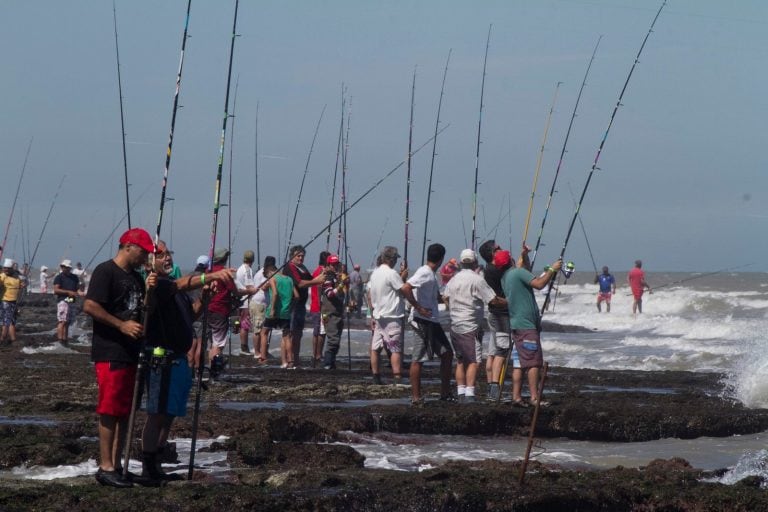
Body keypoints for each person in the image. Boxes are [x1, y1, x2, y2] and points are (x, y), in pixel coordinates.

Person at [139, 240, 232, 484]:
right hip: (161, 358)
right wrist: (210, 276)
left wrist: (204, 299)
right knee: (156, 413)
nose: (167, 258)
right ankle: (148, 467)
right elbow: (181, 283)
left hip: (179, 359)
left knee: (169, 414)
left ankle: (157, 460)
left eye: (168, 254)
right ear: (149, 261)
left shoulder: (172, 287)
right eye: (161, 256)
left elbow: (190, 315)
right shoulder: (156, 284)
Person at [82, 228, 155, 488]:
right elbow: (90, 305)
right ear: (127, 246)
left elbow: (141, 308)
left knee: (125, 411)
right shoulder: (105, 271)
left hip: (131, 352)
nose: (145, 256)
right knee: (109, 409)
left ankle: (117, 464)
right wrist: (120, 325)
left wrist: (149, 289)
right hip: (110, 350)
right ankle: (105, 466)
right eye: (143, 251)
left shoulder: (136, 277)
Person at [442, 249, 506, 403]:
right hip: (471, 326)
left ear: (461, 262)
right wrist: (510, 302)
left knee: (461, 360)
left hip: (455, 325)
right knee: (474, 361)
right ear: (475, 262)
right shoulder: (477, 280)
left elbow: (445, 298)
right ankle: (470, 394)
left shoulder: (453, 279)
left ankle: (461, 392)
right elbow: (492, 300)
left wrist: (454, 309)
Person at [502, 255, 562, 406]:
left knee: (519, 363)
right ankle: (534, 398)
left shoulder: (506, 276)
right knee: (534, 362)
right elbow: (540, 284)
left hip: (517, 324)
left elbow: (526, 272)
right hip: (526, 326)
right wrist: (552, 269)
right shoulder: (518, 273)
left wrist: (525, 257)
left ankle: (516, 397)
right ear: (512, 261)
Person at [402, 243, 454, 405]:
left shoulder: (431, 274)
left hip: (433, 321)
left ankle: (445, 393)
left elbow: (432, 294)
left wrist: (443, 299)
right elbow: (406, 287)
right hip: (421, 321)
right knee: (418, 359)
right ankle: (416, 397)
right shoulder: (424, 272)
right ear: (441, 259)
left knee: (447, 353)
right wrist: (418, 308)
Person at [368, 246, 428, 384]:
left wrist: (372, 314)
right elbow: (403, 290)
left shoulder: (375, 273)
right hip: (392, 316)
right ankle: (397, 377)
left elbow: (374, 293)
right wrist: (417, 305)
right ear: (391, 259)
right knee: (395, 348)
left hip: (378, 316)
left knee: (375, 348)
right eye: (395, 259)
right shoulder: (391, 274)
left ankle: (376, 377)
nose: (396, 261)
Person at [477, 239, 511, 401]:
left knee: (492, 352)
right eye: (498, 248)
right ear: (492, 253)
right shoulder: (495, 270)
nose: (501, 249)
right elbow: (513, 268)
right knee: (502, 351)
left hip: (493, 314)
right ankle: (494, 390)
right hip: (501, 315)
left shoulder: (490, 269)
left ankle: (491, 387)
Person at [282, 245, 325, 367]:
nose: (301, 258)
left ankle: (295, 360)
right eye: (298, 256)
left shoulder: (302, 267)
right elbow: (300, 283)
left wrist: (323, 275)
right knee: (289, 333)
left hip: (301, 304)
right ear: (292, 256)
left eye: (302, 256)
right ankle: (288, 361)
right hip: (291, 305)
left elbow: (311, 279)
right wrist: (317, 281)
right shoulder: (290, 267)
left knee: (298, 333)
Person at [205, 248, 238, 378]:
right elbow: (234, 290)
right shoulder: (224, 273)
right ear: (224, 259)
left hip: (207, 309)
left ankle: (212, 368)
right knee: (218, 343)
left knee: (212, 343)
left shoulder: (208, 272)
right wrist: (250, 291)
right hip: (220, 309)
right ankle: (215, 371)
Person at [261, 259, 298, 368]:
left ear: (270, 272)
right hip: (286, 312)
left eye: (267, 276)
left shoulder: (273, 278)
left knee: (264, 332)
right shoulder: (289, 279)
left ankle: (263, 359)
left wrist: (272, 309)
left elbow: (275, 293)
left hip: (274, 311)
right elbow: (296, 296)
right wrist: (290, 307)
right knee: (286, 336)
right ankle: (290, 362)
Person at [320, 254, 347, 370]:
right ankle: (327, 363)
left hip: (337, 312)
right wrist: (341, 285)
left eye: (337, 264)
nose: (335, 266)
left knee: (337, 339)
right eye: (333, 264)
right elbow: (330, 294)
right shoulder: (327, 278)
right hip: (329, 313)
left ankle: (332, 362)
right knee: (333, 339)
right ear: (328, 265)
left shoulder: (336, 277)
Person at [234, 250, 259, 354]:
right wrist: (257, 289)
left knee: (243, 324)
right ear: (253, 259)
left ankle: (244, 347)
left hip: (240, 300)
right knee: (245, 325)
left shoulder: (240, 268)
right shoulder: (247, 270)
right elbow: (249, 286)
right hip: (245, 302)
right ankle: (244, 348)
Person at [53, 259, 82, 345]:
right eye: (65, 267)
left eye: (68, 267)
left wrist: (81, 292)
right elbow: (56, 290)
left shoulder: (75, 277)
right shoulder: (59, 277)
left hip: (71, 300)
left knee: (68, 321)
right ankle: (60, 340)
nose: (66, 269)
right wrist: (68, 292)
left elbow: (77, 289)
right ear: (62, 267)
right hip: (63, 299)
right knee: (62, 320)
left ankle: (65, 340)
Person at [309, 252, 329, 367]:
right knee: (319, 332)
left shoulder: (319, 270)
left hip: (318, 306)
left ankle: (318, 354)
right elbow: (318, 288)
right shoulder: (320, 271)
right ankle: (316, 355)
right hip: (318, 307)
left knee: (321, 331)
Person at [0, 258, 24, 346]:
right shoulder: (3, 276)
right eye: (4, 268)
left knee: (12, 321)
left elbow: (21, 284)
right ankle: (3, 339)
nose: (5, 270)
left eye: (7, 268)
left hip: (14, 301)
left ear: (12, 269)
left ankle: (11, 339)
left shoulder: (16, 276)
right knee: (7, 321)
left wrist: (22, 285)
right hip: (5, 301)